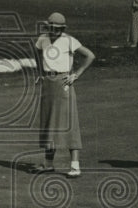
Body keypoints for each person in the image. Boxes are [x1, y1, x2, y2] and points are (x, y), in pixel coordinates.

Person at [33, 12, 95, 178]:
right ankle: (48, 164)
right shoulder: (42, 39)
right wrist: (40, 73)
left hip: (63, 83)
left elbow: (90, 55)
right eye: (53, 28)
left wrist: (76, 74)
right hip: (47, 82)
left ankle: (75, 166)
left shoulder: (69, 40)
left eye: (59, 29)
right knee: (48, 122)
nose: (56, 32)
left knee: (70, 123)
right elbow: (37, 52)